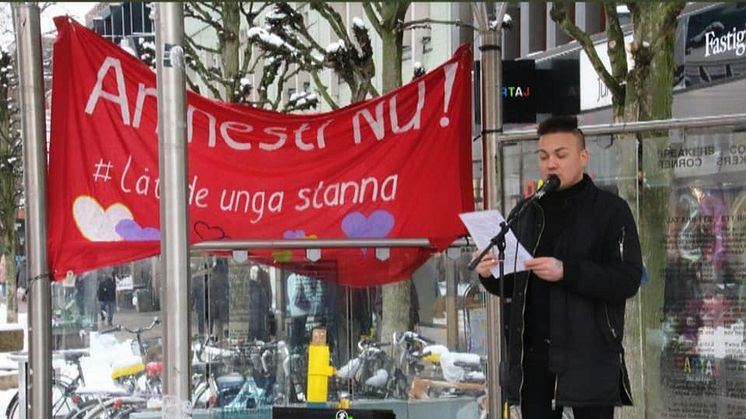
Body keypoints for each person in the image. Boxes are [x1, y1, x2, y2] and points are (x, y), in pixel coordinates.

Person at [475, 115, 642, 419]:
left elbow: (627, 279)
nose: (551, 163)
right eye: (544, 156)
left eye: (561, 155)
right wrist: (489, 274)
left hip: (588, 356)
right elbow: (515, 285)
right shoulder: (525, 211)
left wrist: (567, 271)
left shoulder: (610, 210)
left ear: (583, 158)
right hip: (534, 359)